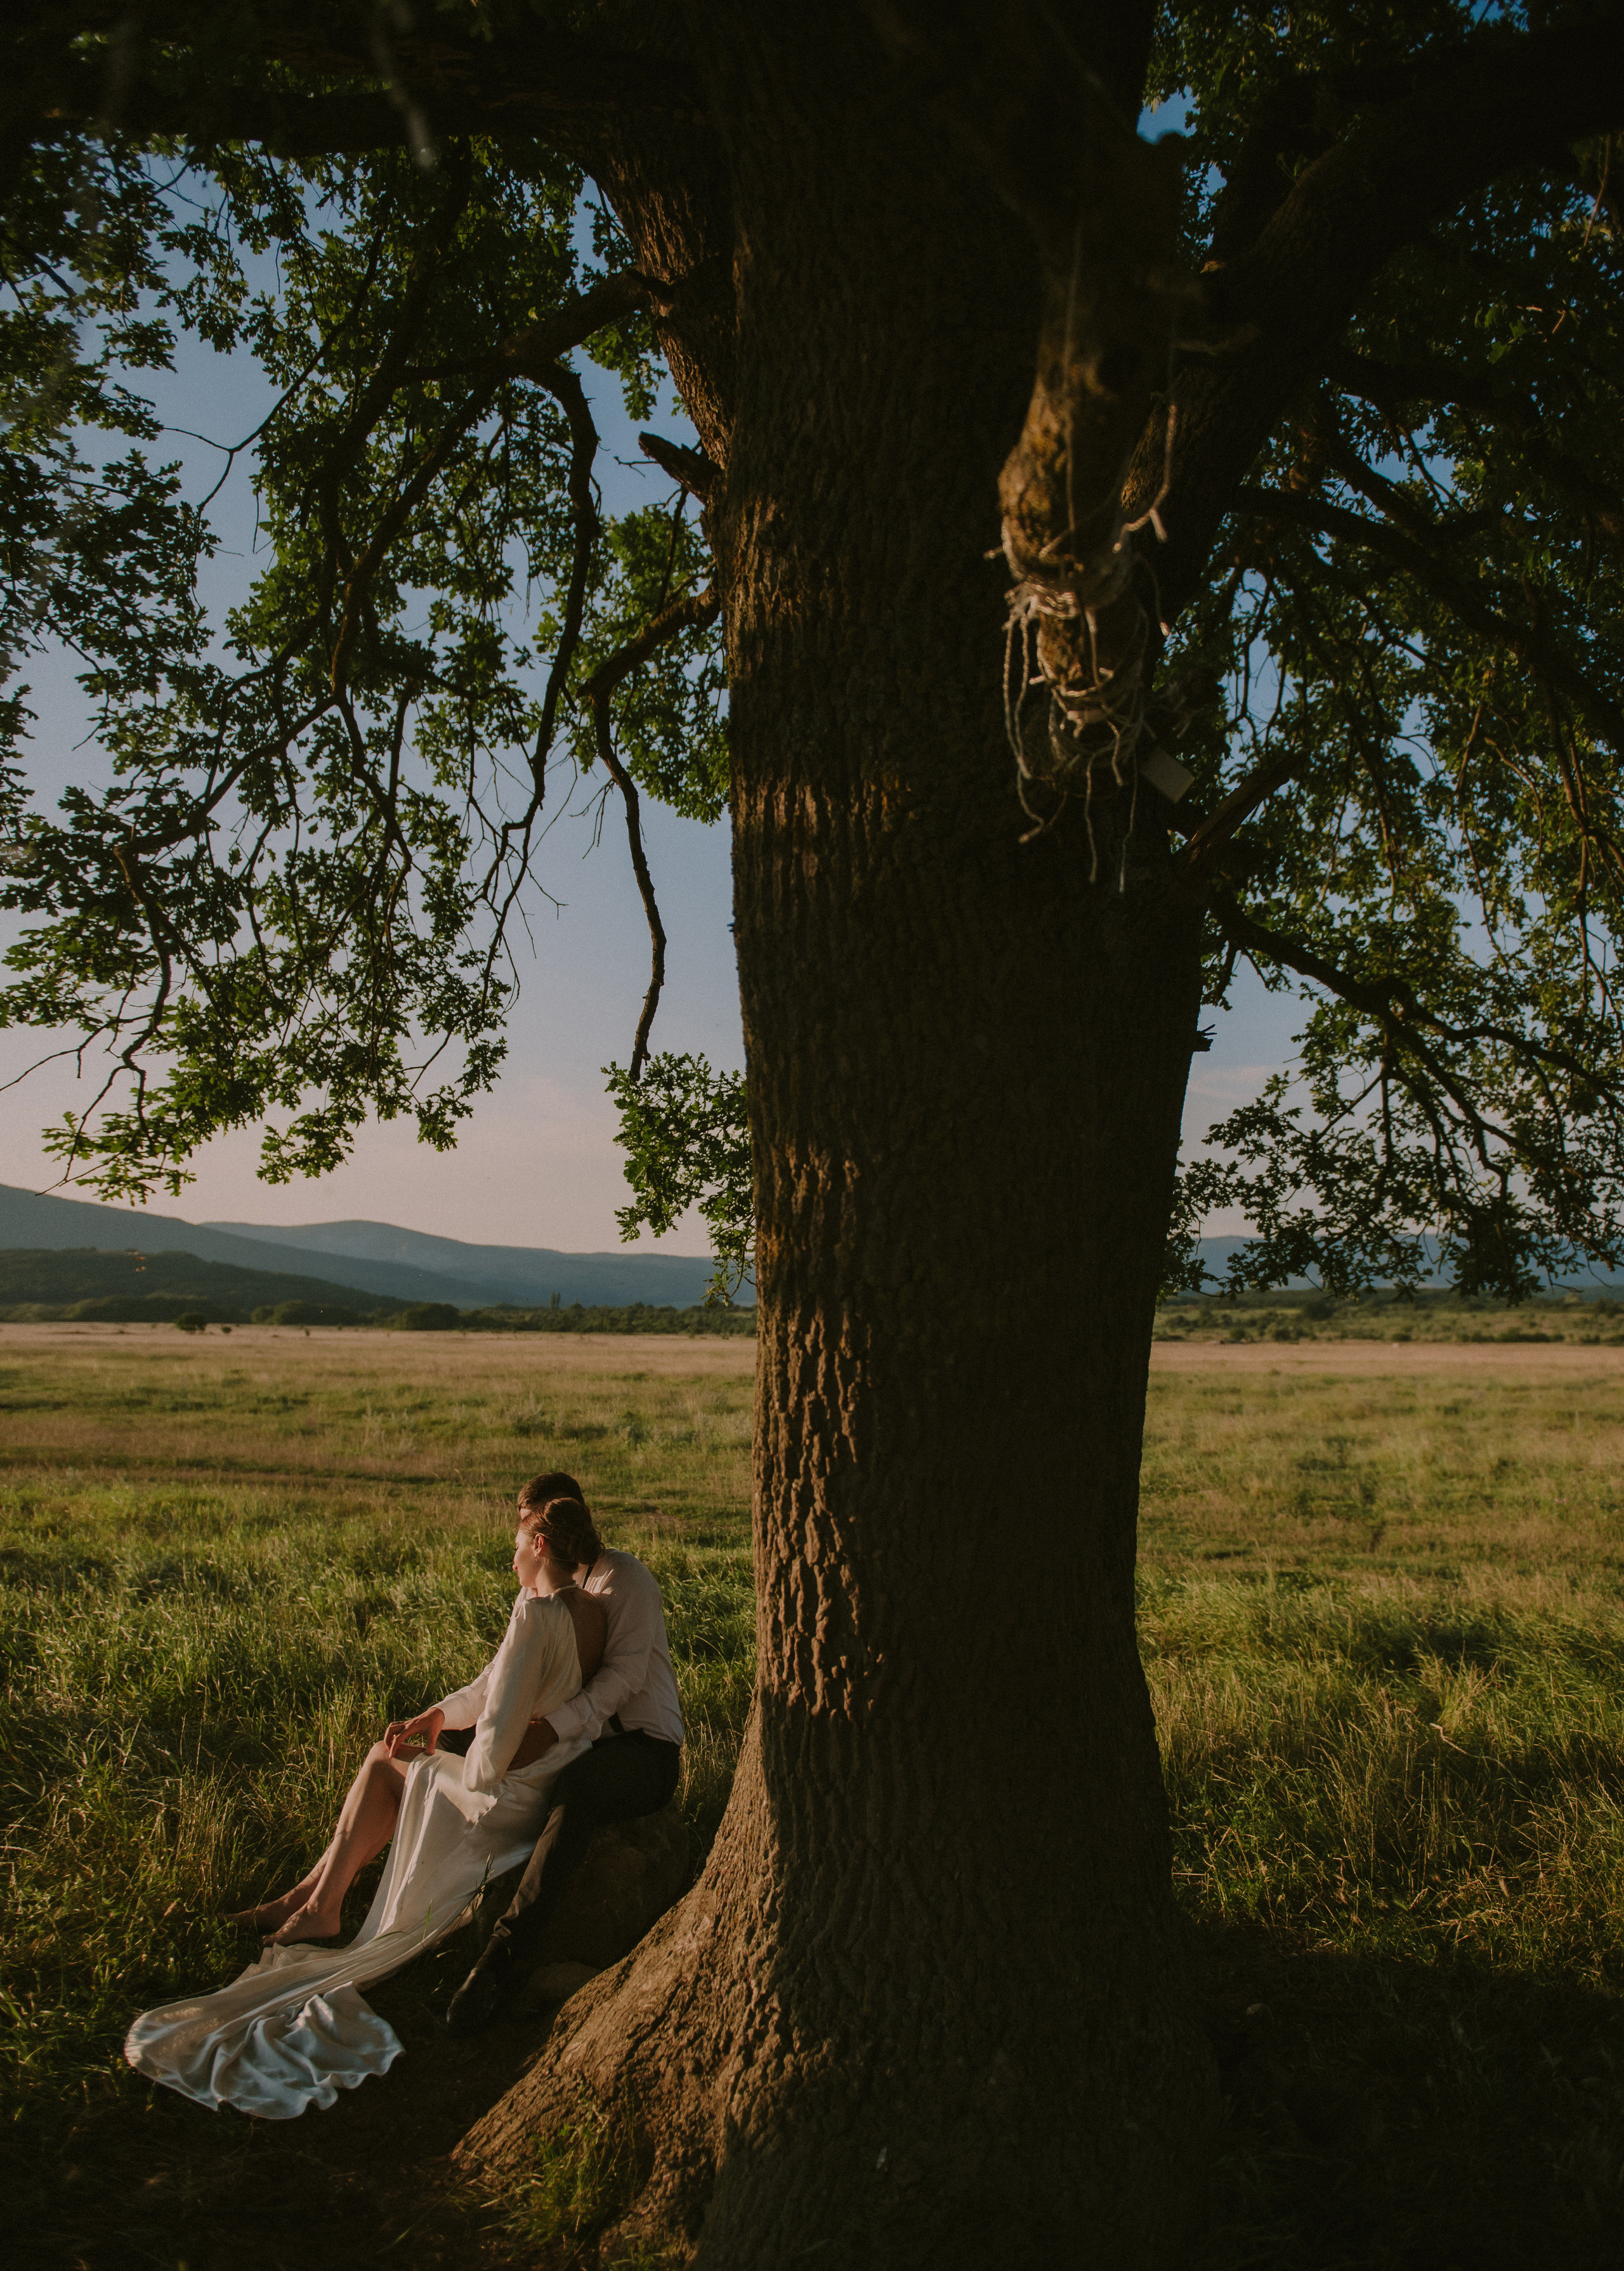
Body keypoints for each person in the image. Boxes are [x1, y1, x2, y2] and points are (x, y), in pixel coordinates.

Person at [124, 1494, 605, 2119]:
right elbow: (498, 1687)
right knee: (393, 1758)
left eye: (516, 1543)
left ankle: (320, 1906)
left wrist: (452, 1758)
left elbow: (492, 1754)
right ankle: (309, 1897)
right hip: (544, 1782)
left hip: (504, 1795)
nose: (510, 1556)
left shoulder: (536, 1617)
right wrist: (437, 1719)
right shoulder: (587, 1610)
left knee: (384, 1762)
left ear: (539, 1545)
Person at [444, 1469, 684, 2034]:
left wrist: (550, 1729)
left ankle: (502, 1959)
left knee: (580, 1790)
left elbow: (622, 1680)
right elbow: (497, 1678)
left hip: (640, 1749)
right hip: (574, 1736)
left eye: (532, 1527)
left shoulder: (625, 1580)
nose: (528, 1540)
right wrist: (446, 1718)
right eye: (529, 1528)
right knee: (450, 1747)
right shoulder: (539, 1588)